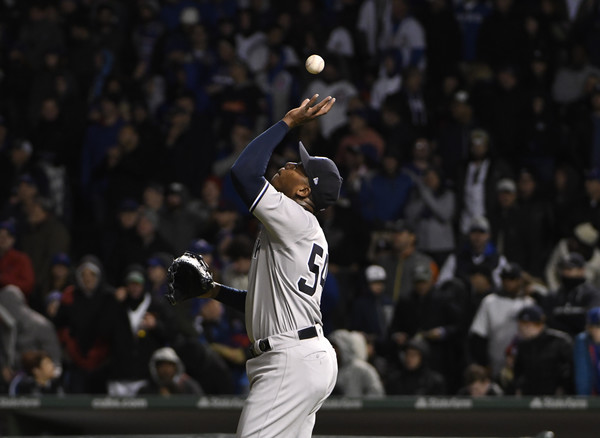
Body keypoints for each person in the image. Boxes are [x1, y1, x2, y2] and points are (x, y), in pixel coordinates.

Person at [169, 95, 340, 437]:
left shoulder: (295, 219)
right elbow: (266, 303)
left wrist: (288, 122)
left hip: (290, 360)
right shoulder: (297, 229)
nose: (288, 163)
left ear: (303, 190)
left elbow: (244, 173)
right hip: (302, 355)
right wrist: (215, 292)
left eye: (298, 166)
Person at [512, 305, 573, 395]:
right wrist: (518, 387)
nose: (522, 329)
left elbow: (570, 370)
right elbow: (518, 372)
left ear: (539, 324)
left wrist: (564, 387)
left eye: (526, 325)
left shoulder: (560, 341)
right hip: (530, 396)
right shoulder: (522, 345)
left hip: (556, 397)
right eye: (521, 325)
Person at [328, 329, 385, 397]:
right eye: (331, 347)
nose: (333, 351)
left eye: (335, 347)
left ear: (343, 347)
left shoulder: (362, 369)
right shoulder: (330, 370)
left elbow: (377, 393)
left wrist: (361, 402)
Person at [137, 346, 203, 396]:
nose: (165, 370)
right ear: (155, 368)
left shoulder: (189, 387)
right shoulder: (146, 390)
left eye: (169, 365)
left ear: (176, 367)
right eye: (161, 366)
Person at [574, 307, 600, 395]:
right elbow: (583, 376)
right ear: (589, 328)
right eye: (598, 327)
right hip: (592, 397)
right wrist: (585, 399)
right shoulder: (583, 342)